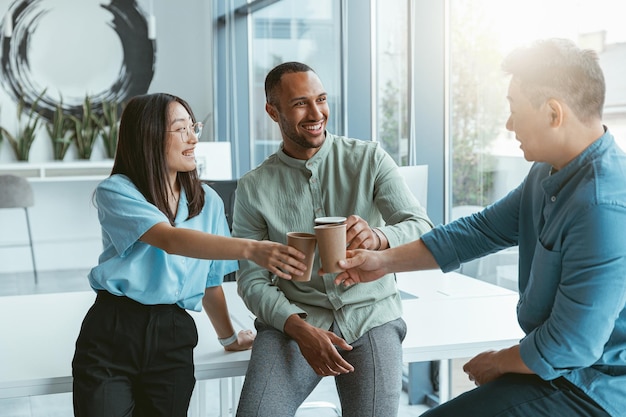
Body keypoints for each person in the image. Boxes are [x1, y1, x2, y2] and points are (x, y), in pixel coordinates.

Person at [333, 38, 626, 417]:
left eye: (514, 110)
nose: (508, 124)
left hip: (595, 387)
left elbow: (571, 346)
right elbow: (480, 231)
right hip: (557, 370)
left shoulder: (603, 205)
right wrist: (382, 261)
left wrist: (499, 361)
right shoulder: (547, 173)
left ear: (553, 113)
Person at [71, 93, 307, 417]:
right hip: (114, 328)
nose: (194, 138)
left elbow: (210, 281)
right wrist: (251, 248)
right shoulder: (117, 191)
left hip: (173, 334)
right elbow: (168, 239)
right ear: (149, 136)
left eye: (193, 127)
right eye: (181, 129)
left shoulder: (207, 200)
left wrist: (228, 337)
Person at [232, 61, 433, 417]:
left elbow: (421, 226)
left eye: (321, 99)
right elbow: (251, 280)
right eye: (299, 103)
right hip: (293, 320)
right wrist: (297, 327)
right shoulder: (253, 187)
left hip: (369, 313)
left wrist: (379, 236)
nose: (316, 113)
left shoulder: (369, 159)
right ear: (272, 111)